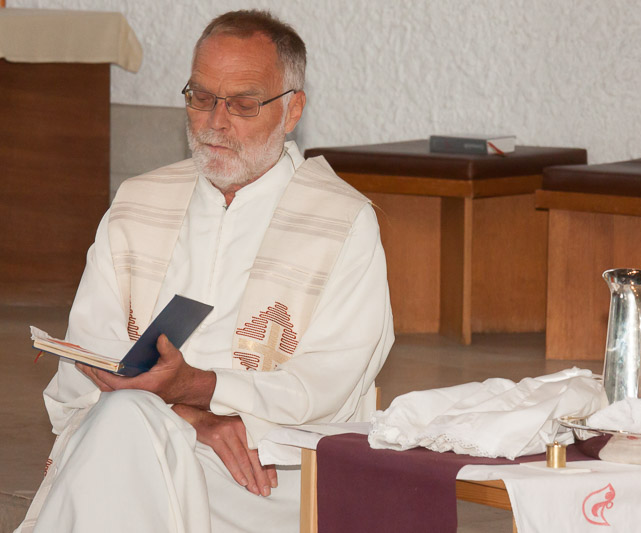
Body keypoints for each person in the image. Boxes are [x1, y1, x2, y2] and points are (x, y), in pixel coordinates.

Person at [16, 9, 393, 533]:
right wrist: (188, 414)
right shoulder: (137, 204)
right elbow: (85, 358)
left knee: (116, 450)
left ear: (291, 110)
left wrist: (201, 386)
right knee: (124, 431)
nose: (216, 121)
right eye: (200, 97)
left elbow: (327, 384)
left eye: (243, 104)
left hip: (266, 470)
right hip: (138, 435)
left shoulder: (342, 222)